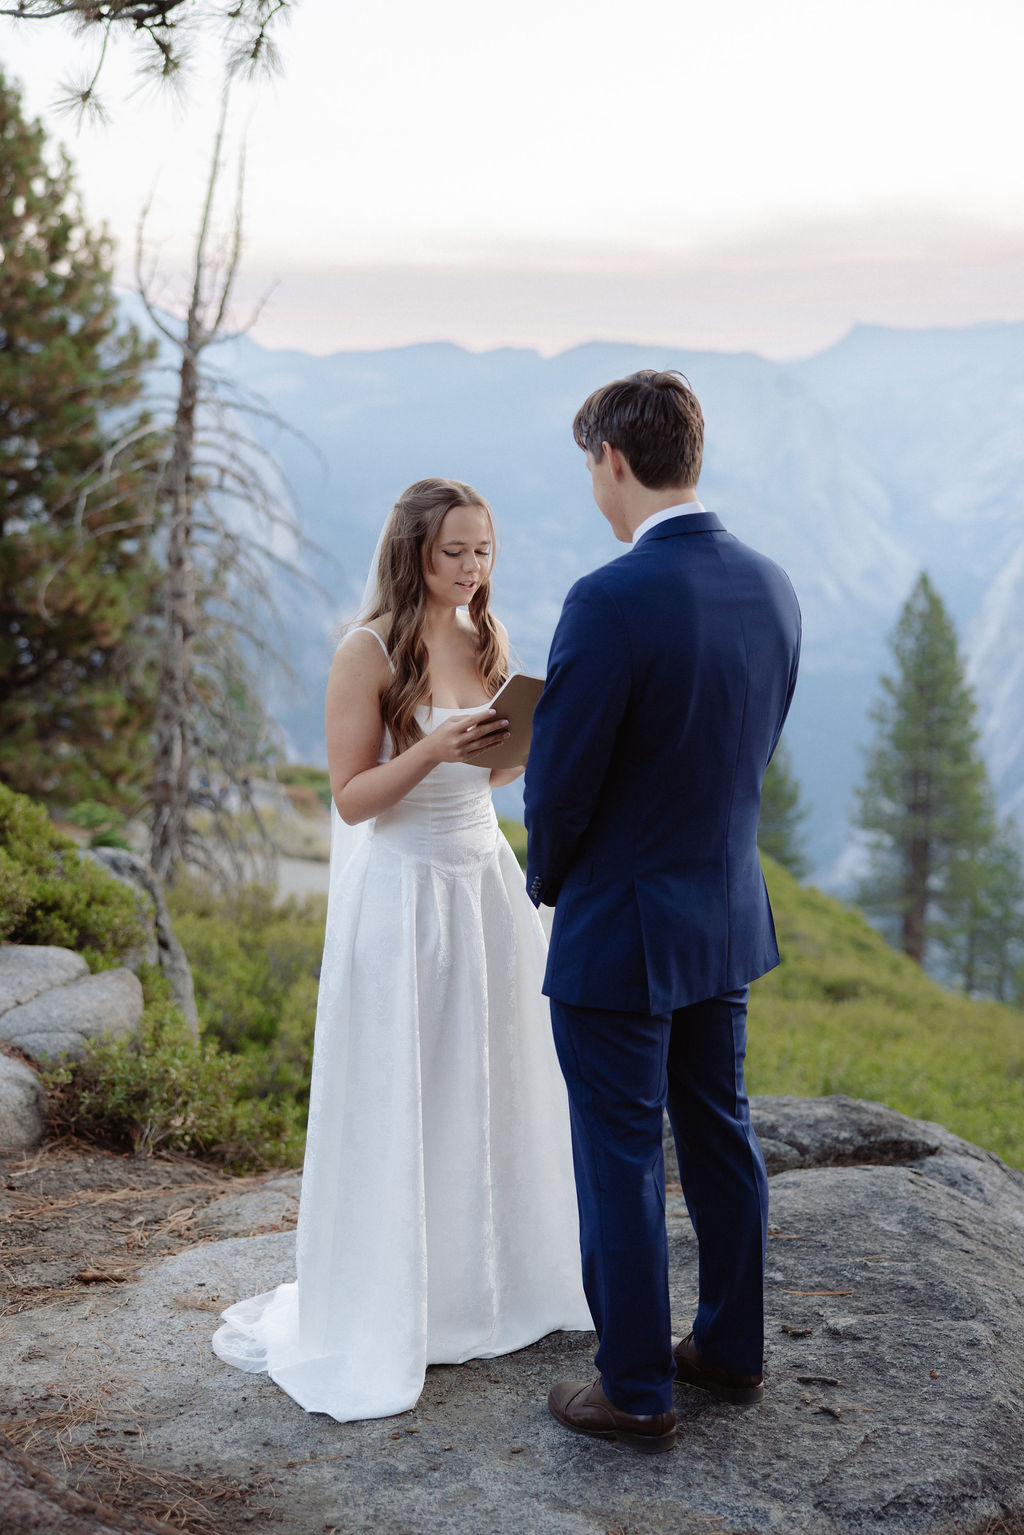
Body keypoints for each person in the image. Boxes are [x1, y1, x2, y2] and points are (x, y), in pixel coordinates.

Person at [213, 477, 591, 1421]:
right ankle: (403, 1299)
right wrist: (431, 748)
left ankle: (485, 1286)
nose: (472, 568)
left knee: (490, 1080)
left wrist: (524, 749)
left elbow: (490, 775)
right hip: (407, 891)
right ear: (413, 550)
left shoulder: (485, 636)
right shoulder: (367, 649)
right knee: (408, 1087)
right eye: (454, 551)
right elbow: (352, 797)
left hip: (484, 885)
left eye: (484, 551)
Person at [524, 370, 801, 1455]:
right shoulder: (771, 582)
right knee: (719, 1128)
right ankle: (730, 1346)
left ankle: (634, 1386)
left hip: (621, 921)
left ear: (612, 460)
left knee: (621, 1151)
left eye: (589, 465)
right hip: (721, 909)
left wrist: (553, 880)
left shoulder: (609, 597)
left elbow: (561, 781)